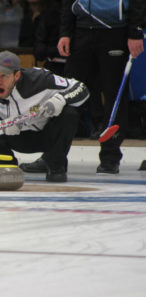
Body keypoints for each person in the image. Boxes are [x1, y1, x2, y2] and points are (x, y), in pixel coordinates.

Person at [0, 51, 89, 182]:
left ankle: (55, 165)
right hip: (13, 137)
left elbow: (81, 88)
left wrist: (61, 99)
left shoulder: (40, 79)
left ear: (17, 75)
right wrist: (0, 127)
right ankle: (4, 165)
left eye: (4, 75)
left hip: (46, 136)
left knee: (69, 114)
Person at [56, 0, 143, 174]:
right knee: (69, 94)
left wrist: (136, 31)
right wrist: (65, 32)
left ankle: (110, 158)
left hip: (114, 31)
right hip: (80, 31)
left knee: (114, 95)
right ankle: (54, 156)